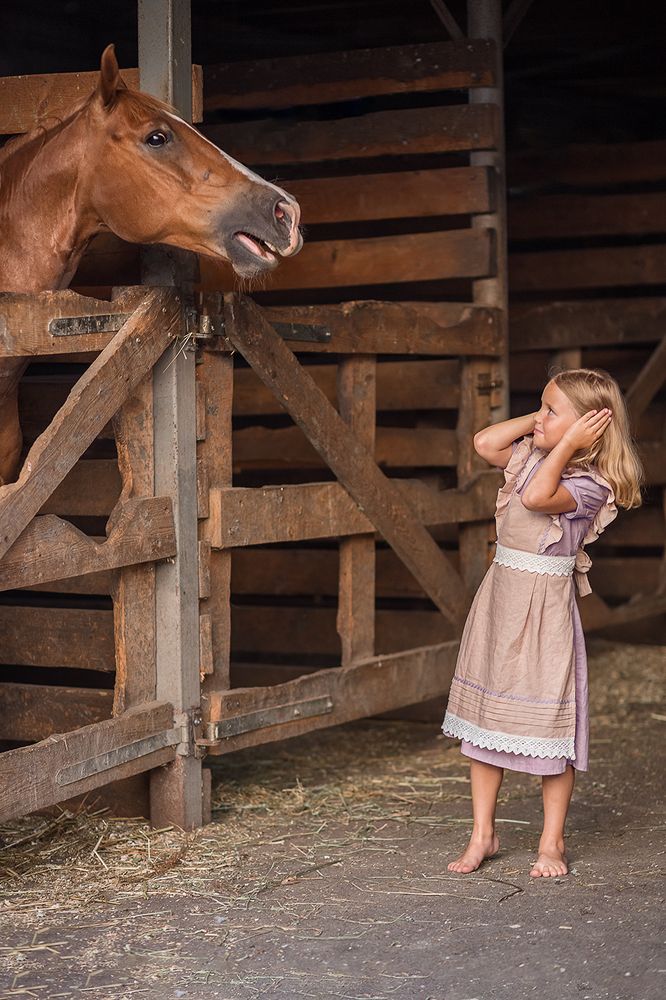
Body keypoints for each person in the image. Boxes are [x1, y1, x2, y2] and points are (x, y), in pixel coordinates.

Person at [441, 367, 644, 878]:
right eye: (541, 404)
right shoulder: (529, 454)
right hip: (501, 600)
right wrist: (542, 421)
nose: (540, 415)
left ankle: (551, 842)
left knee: (552, 725)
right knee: (485, 719)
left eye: (552, 410)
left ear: (589, 428)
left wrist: (567, 441)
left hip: (543, 613)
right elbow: (485, 442)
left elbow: (536, 499)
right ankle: (483, 833)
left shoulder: (590, 485)